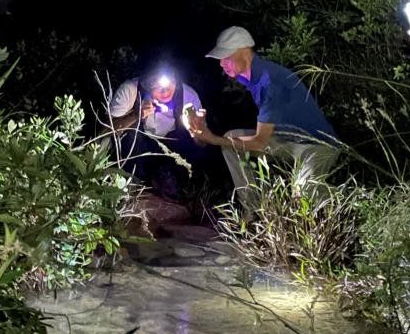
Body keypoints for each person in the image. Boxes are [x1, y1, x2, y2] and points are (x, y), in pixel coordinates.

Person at [187, 26, 340, 210]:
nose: (221, 64)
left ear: (245, 52)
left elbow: (259, 143)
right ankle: (254, 210)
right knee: (230, 141)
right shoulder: (250, 78)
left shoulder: (269, 81)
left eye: (226, 58)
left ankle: (357, 202)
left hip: (318, 144)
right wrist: (209, 134)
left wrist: (211, 138)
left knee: (302, 192)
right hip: (287, 140)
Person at [109, 64, 207, 199]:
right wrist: (135, 115)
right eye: (157, 86)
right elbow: (106, 131)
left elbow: (201, 143)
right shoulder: (130, 90)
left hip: (170, 145)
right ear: (147, 85)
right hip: (138, 147)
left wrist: (198, 131)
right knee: (130, 133)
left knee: (192, 143)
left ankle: (185, 187)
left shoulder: (188, 96)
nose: (165, 91)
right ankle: (132, 189)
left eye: (170, 84)